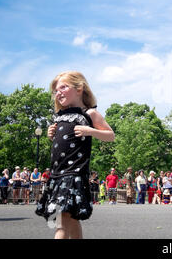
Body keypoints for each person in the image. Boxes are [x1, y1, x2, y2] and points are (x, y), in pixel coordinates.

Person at [36, 71, 115, 239]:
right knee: (71, 219)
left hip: (73, 173)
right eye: (56, 90)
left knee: (61, 221)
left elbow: (111, 135)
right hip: (57, 173)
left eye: (63, 87)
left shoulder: (89, 114)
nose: (58, 93)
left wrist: (90, 131)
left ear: (79, 88)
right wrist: (52, 133)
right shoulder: (60, 116)